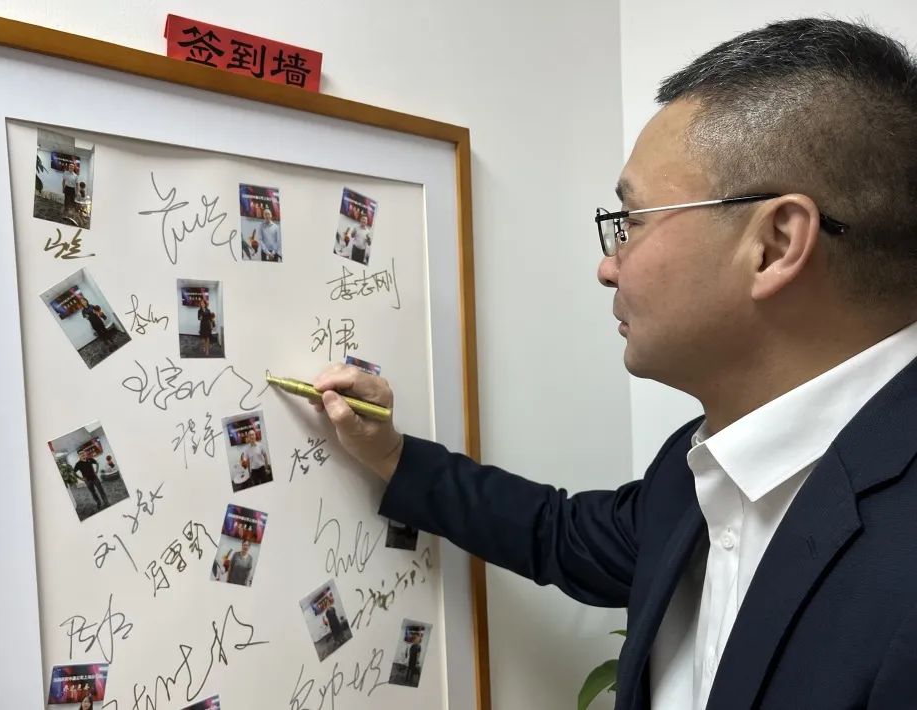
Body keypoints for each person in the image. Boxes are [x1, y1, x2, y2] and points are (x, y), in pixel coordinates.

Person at [313, 18, 917, 710]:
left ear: (774, 245)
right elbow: (562, 535)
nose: (608, 266)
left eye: (631, 221)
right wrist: (391, 456)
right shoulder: (702, 468)